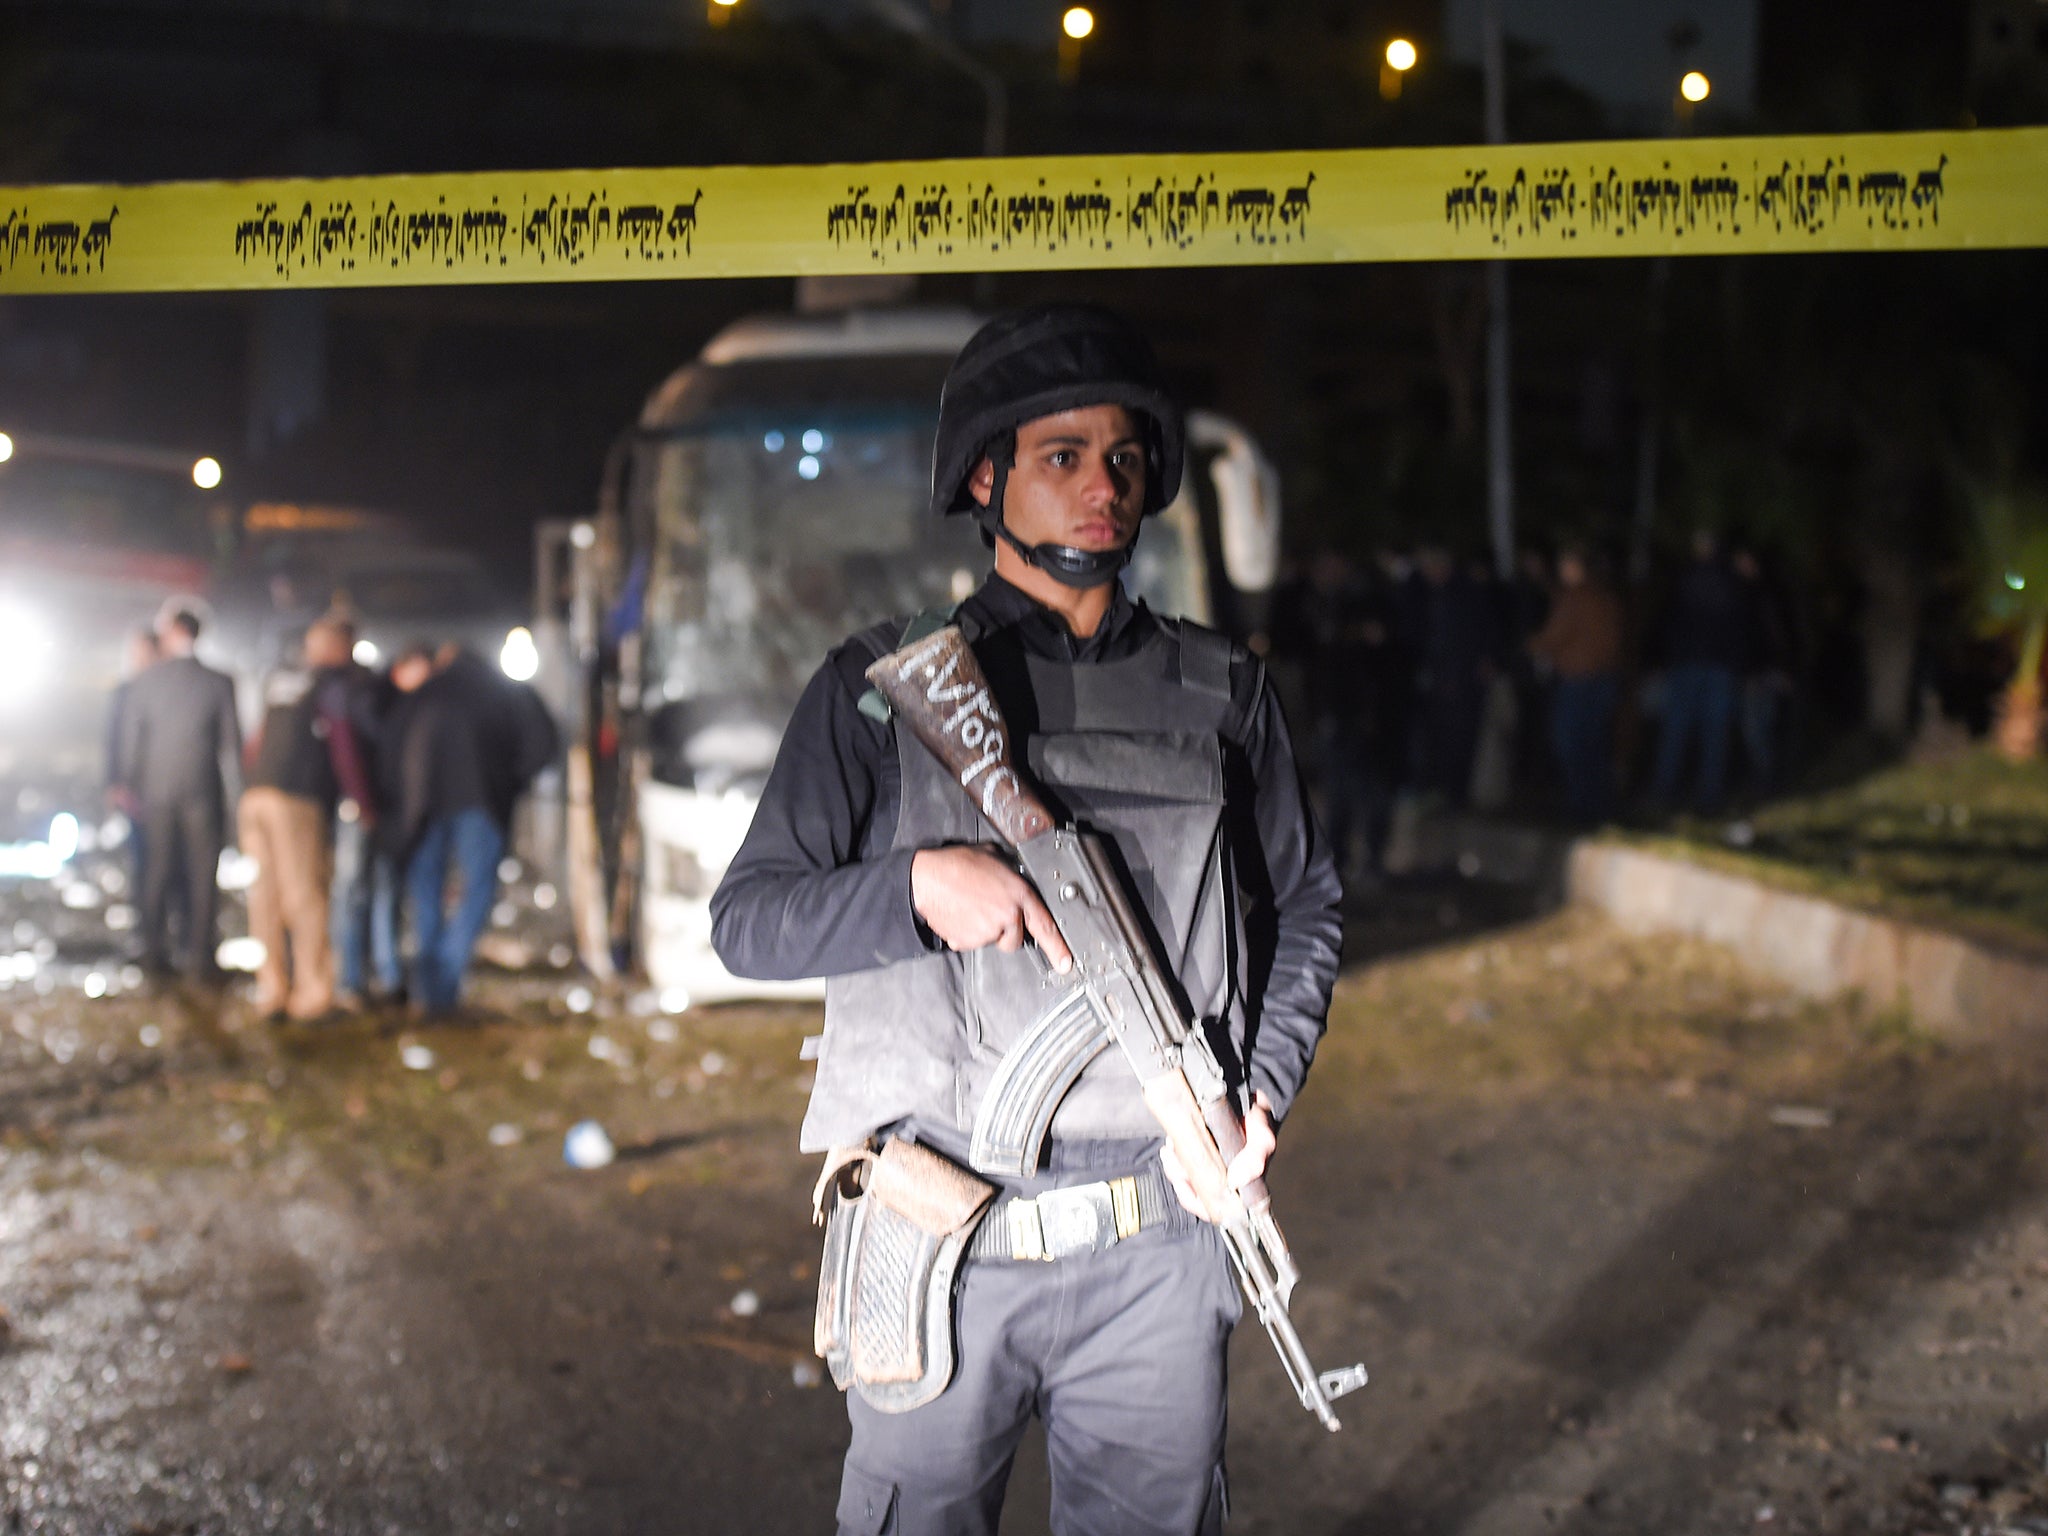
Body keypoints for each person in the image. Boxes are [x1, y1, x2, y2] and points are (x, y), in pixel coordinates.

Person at [710, 306, 1343, 1536]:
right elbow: (749, 924)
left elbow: (1305, 906)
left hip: (1161, 1240)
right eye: (1061, 457)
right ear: (987, 477)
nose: (1100, 488)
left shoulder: (1222, 692)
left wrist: (1259, 1096)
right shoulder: (877, 692)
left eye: (1121, 459)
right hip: (945, 1239)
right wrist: (914, 890)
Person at [389, 643, 558, 1015]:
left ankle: (429, 989)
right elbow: (543, 743)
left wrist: (400, 801)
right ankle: (445, 983)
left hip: (426, 807)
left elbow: (393, 745)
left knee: (426, 896)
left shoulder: (426, 694)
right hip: (485, 804)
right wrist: (513, 781)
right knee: (476, 892)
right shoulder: (505, 692)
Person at [239, 617, 375, 1021]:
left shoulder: (279, 679)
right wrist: (363, 801)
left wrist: (252, 783)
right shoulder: (332, 684)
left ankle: (272, 988)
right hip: (298, 798)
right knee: (306, 895)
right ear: (338, 646)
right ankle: (313, 993)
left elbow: (255, 742)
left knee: (266, 896)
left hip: (257, 794)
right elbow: (343, 745)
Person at [115, 602, 242, 982]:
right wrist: (238, 797)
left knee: (156, 872)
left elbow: (130, 741)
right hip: (203, 790)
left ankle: (153, 954)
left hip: (156, 792)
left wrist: (129, 784)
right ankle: (201, 959)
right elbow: (231, 745)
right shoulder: (219, 680)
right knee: (204, 876)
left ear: (172, 632)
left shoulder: (146, 681)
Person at [1651, 529, 1752, 814]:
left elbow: (1668, 621)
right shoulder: (1732, 581)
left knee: (1676, 732)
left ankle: (1665, 791)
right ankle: (1708, 797)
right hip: (1717, 667)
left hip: (1689, 664)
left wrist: (1662, 658)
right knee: (1714, 735)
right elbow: (1741, 627)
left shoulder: (1683, 578)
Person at [1527, 546, 1626, 825]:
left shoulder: (1576, 598)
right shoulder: (1606, 597)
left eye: (1566, 565)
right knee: (1594, 743)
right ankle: (1601, 805)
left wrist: (1530, 645)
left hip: (1579, 679)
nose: (1562, 571)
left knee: (1571, 742)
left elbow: (1555, 635)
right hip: (1603, 678)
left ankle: (1581, 805)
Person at [105, 626, 161, 897]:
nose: (136, 659)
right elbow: (112, 739)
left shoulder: (167, 692)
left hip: (163, 787)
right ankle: (145, 926)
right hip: (134, 790)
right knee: (140, 858)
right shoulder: (123, 692)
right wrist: (115, 784)